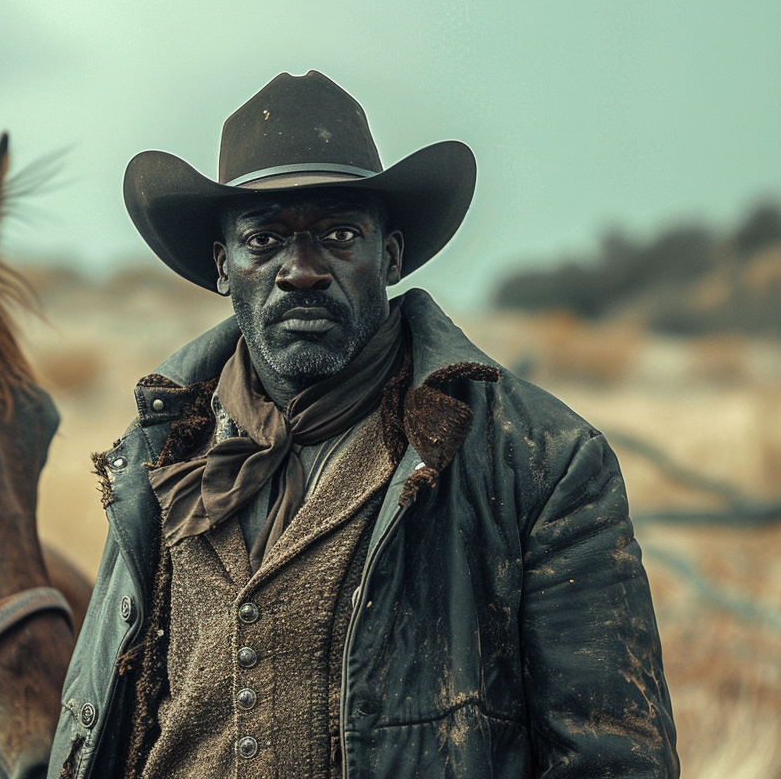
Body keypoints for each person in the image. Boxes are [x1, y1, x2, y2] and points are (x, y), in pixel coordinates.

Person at [49, 71, 678, 779]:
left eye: (338, 234)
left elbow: (613, 758)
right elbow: (100, 720)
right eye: (265, 240)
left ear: (391, 255)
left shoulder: (540, 461)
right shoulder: (157, 452)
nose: (302, 270)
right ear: (224, 267)